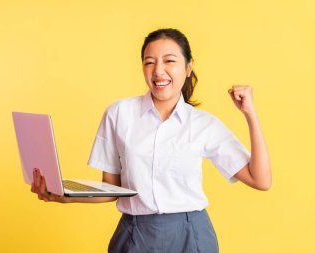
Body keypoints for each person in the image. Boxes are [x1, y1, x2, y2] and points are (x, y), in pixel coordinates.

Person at [31, 28, 272, 253]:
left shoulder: (203, 124)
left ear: (188, 67)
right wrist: (65, 195)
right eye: (149, 62)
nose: (158, 71)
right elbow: (111, 189)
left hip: (192, 235)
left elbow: (260, 180)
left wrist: (250, 114)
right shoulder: (119, 114)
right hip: (134, 234)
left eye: (169, 61)